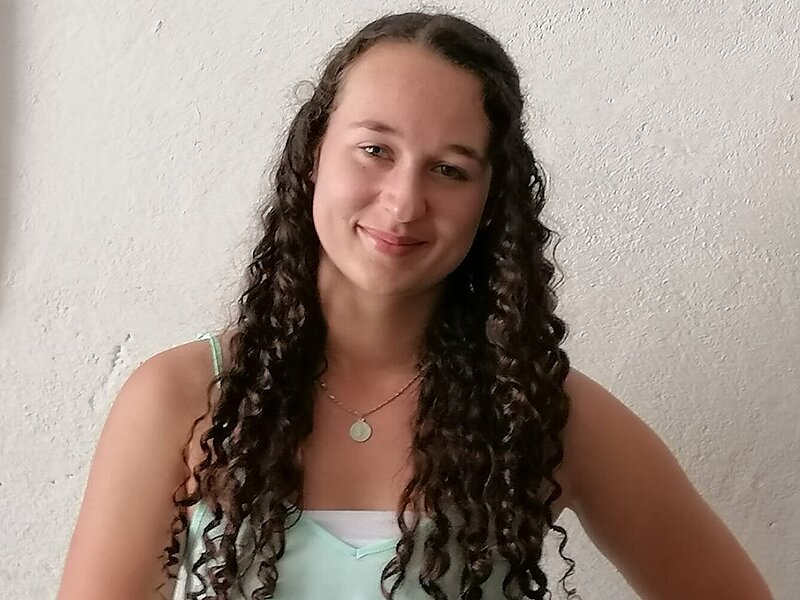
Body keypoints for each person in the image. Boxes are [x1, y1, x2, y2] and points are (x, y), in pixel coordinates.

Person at [58, 11, 773, 600]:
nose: (403, 202)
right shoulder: (180, 396)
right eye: (375, 149)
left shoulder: (538, 410)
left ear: (491, 200)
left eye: (449, 169)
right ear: (313, 155)